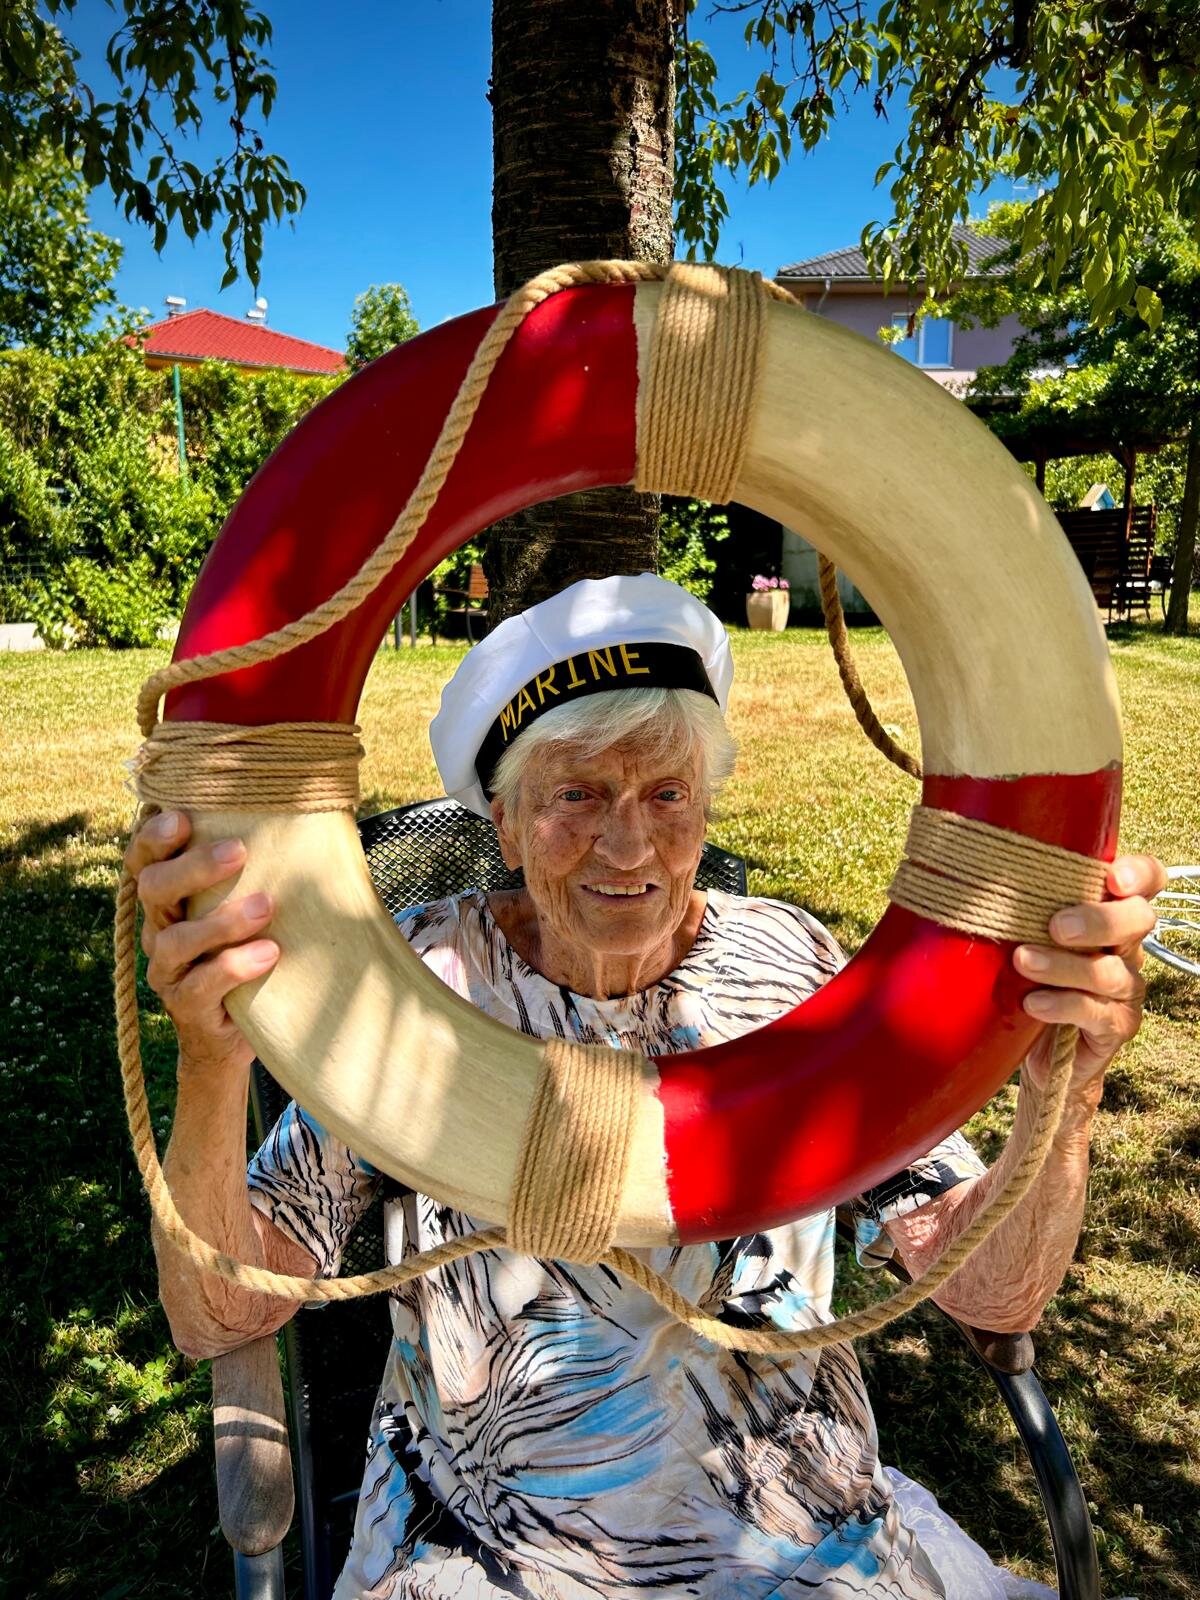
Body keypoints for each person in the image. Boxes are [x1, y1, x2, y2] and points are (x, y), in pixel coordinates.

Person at [132, 575, 1163, 1600]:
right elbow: (217, 1311)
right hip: (494, 1550)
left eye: (667, 795)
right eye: (576, 795)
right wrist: (212, 1063)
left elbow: (991, 1289)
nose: (630, 847)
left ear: (705, 807)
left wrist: (1064, 1092)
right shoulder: (420, 984)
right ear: (504, 822)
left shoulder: (786, 967)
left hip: (801, 1547)